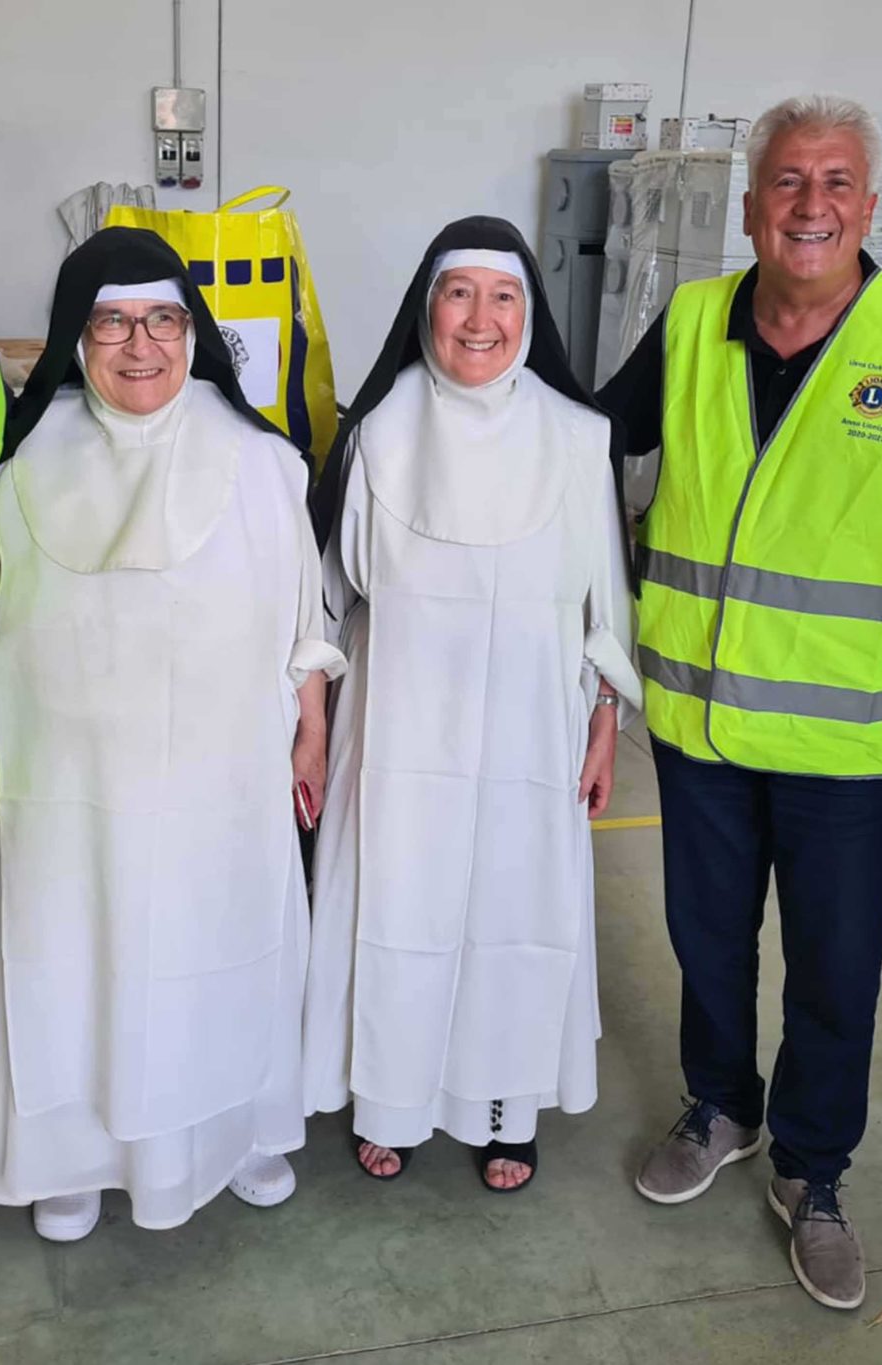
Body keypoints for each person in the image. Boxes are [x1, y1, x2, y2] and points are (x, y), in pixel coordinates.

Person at [598, 94, 882, 1310]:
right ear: (749, 207)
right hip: (701, 728)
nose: (810, 205)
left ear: (867, 204)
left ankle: (813, 1171)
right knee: (705, 943)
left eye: (836, 182)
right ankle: (721, 1108)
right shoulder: (693, 324)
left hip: (852, 745)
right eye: (788, 180)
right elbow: (575, 442)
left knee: (832, 971)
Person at [0, 227, 342, 1240]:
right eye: (112, 323)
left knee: (219, 950)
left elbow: (304, 614)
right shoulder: (17, 465)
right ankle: (72, 1157)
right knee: (71, 960)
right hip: (67, 789)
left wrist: (309, 729)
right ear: (74, 338)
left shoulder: (260, 462)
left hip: (221, 782)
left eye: (163, 320)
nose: (141, 346)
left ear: (193, 332)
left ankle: (236, 1134)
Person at [301, 217, 642, 1194]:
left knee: (511, 916)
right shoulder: (378, 433)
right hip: (397, 731)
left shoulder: (577, 437)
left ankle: (505, 1111)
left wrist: (604, 723)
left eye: (502, 296)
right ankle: (391, 1104)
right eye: (459, 294)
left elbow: (604, 604)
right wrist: (313, 729)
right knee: (396, 913)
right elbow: (325, 597)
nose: (479, 318)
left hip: (531, 733)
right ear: (427, 309)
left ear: (528, 315)